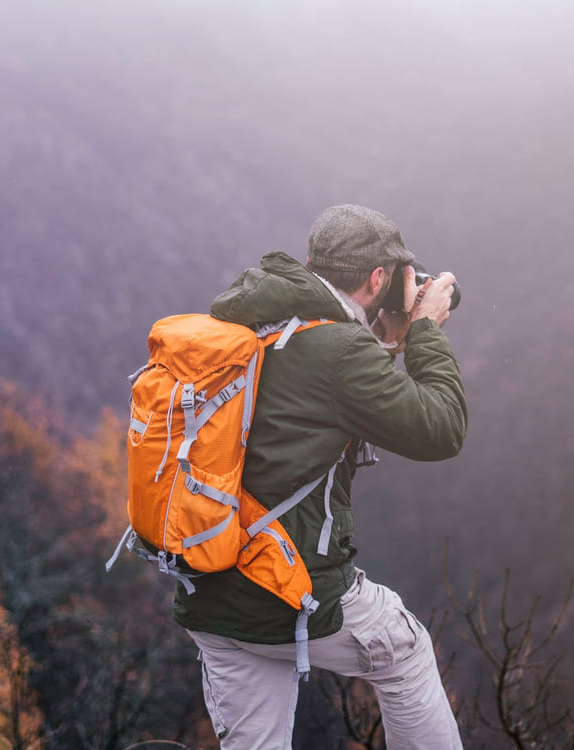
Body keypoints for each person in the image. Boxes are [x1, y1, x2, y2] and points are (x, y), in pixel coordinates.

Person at [175, 204, 467, 749]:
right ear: (379, 279)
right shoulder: (338, 351)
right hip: (287, 591)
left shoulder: (254, 318)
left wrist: (382, 341)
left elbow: (306, 398)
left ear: (312, 262)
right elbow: (441, 430)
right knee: (404, 653)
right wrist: (424, 330)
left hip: (210, 585)